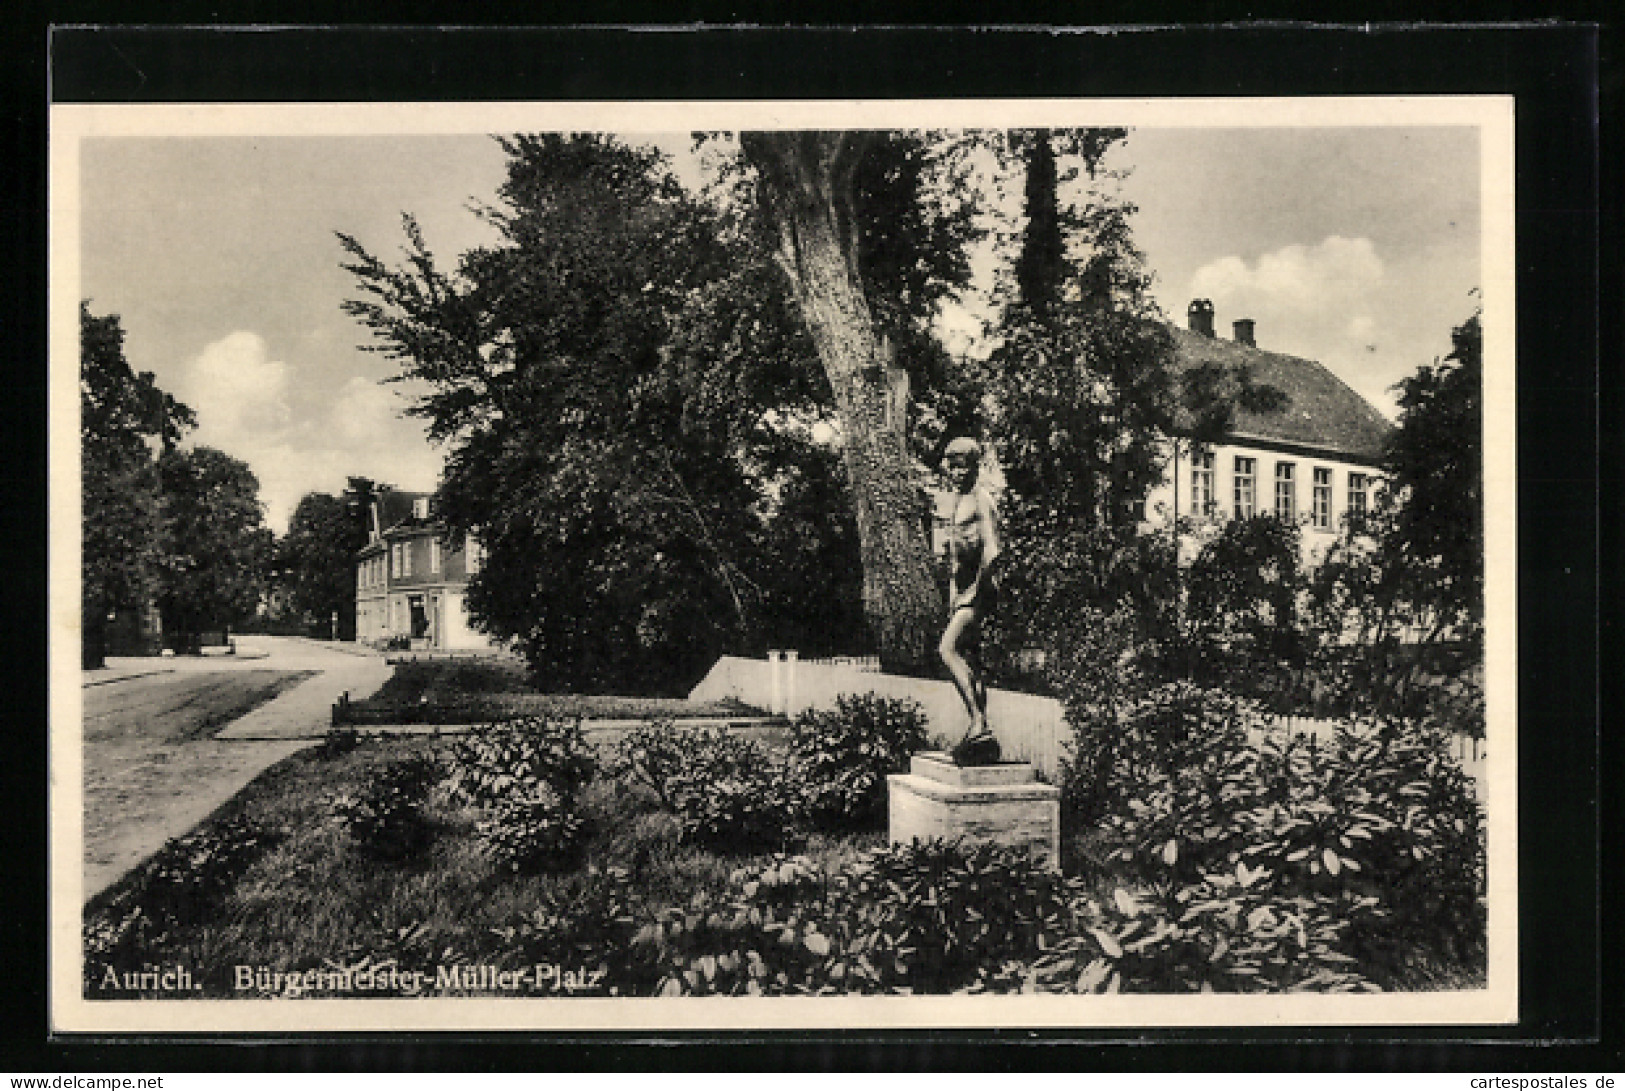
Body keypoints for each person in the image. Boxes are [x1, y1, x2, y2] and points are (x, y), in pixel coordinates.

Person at [937, 436, 1001, 764]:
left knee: (946, 650)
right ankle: (981, 731)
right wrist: (953, 591)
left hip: (977, 594)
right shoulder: (957, 501)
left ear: (975, 467)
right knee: (972, 662)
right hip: (961, 593)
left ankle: (978, 722)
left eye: (964, 466)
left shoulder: (981, 499)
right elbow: (955, 557)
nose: (957, 473)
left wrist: (975, 592)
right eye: (953, 466)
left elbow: (992, 551)